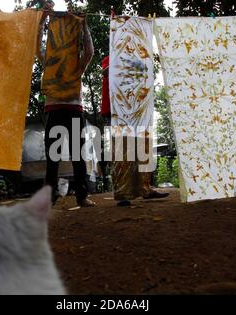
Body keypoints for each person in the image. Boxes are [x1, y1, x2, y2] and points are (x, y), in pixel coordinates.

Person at [37, 1, 96, 207]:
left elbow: (89, 52)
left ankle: (82, 195)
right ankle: (50, 197)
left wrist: (84, 25)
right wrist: (42, 20)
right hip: (54, 108)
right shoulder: (49, 62)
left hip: (72, 108)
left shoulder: (76, 65)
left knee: (78, 154)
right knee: (54, 156)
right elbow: (37, 47)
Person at [101, 56, 169, 207]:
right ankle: (123, 193)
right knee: (122, 153)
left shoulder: (136, 58)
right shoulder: (112, 56)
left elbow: (144, 73)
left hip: (135, 109)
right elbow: (106, 72)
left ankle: (145, 188)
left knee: (143, 148)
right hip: (116, 111)